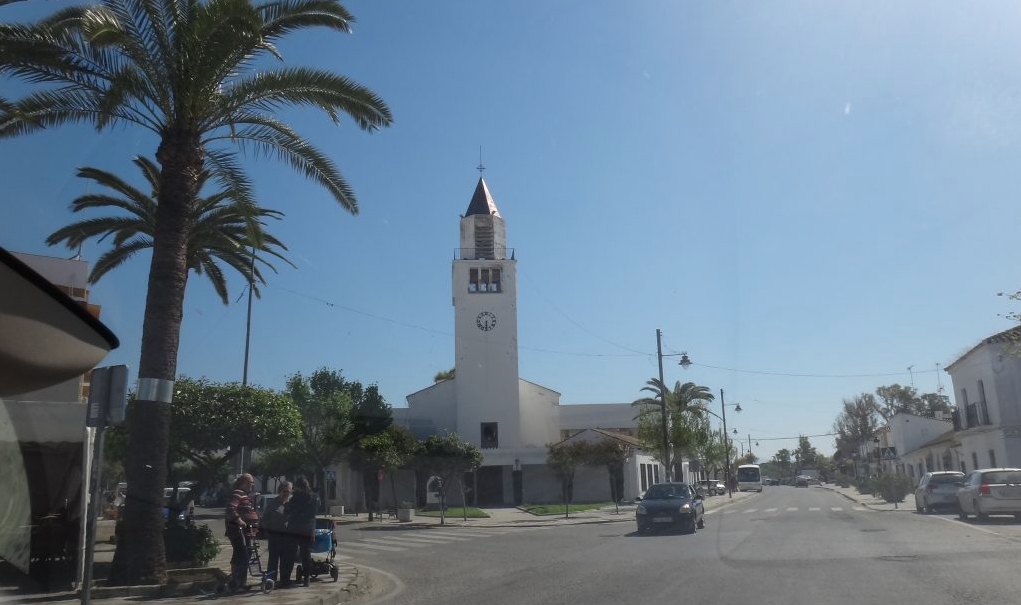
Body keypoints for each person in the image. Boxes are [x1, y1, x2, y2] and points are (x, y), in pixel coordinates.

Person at [224, 473, 259, 587]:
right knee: (241, 553)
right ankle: (237, 580)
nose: (251, 485)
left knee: (246, 553)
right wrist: (239, 520)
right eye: (249, 482)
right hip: (238, 530)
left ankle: (241, 580)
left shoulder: (245, 494)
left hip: (247, 531)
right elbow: (230, 508)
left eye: (252, 483)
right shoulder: (237, 492)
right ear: (243, 483)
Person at [285, 476, 319, 587]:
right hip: (307, 529)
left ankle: (286, 578)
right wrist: (312, 530)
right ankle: (306, 578)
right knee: (306, 554)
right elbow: (313, 515)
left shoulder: (294, 498)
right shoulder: (314, 497)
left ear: (298, 487)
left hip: (294, 528)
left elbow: (287, 512)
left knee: (290, 554)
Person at [263, 481, 293, 587]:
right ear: (279, 491)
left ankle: (285, 580)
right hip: (275, 537)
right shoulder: (272, 504)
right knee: (273, 560)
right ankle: (271, 581)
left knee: (286, 560)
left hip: (288, 537)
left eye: (289, 492)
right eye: (284, 491)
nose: (286, 494)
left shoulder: (291, 504)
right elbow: (264, 519)